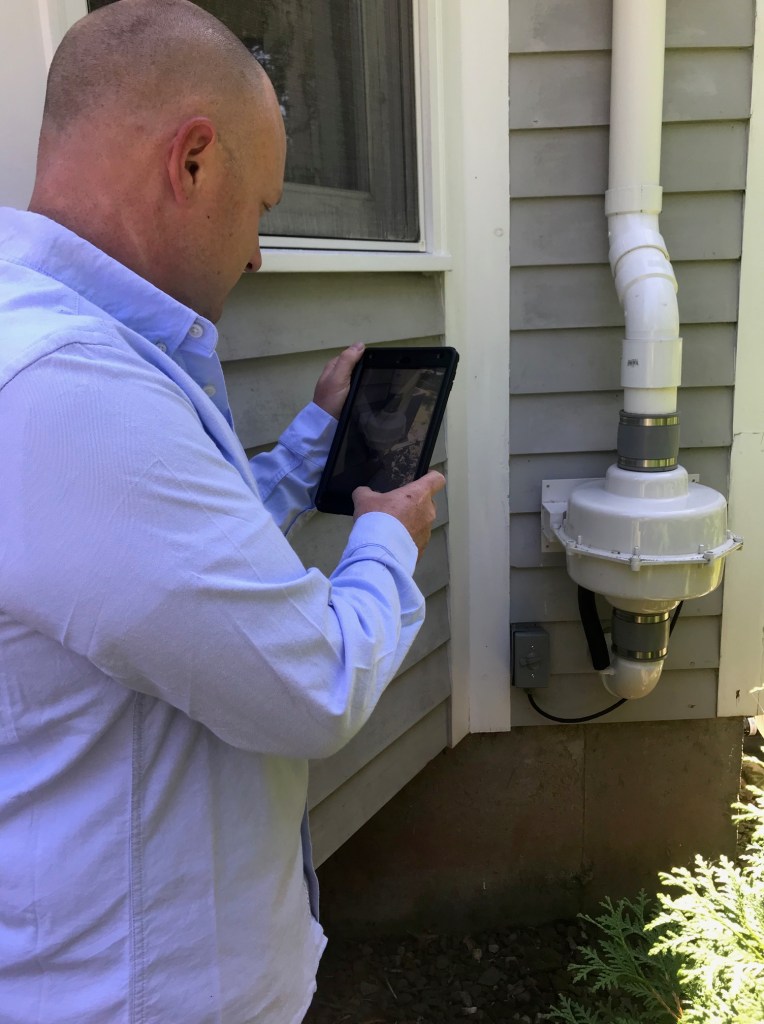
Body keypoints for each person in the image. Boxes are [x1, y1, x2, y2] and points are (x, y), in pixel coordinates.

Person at [0, 1, 445, 1022]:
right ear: (192, 160)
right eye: (260, 209)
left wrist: (310, 440)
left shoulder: (60, 347)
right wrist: (388, 538)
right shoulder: (71, 389)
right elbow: (314, 684)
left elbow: (178, 562)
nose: (255, 256)